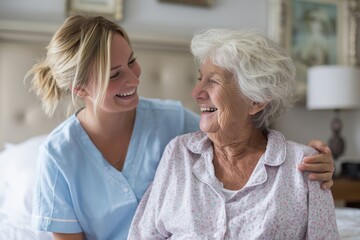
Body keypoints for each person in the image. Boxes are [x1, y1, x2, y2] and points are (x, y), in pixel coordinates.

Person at [27, 16, 334, 240]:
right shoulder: (58, 155)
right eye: (115, 74)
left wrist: (312, 164)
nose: (133, 80)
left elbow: (237, 133)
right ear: (80, 89)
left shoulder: (173, 122)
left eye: (132, 62)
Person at [128, 28, 339, 239]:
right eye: (200, 79)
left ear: (256, 100)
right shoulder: (179, 153)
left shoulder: (303, 167)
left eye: (213, 81)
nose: (196, 93)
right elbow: (144, 235)